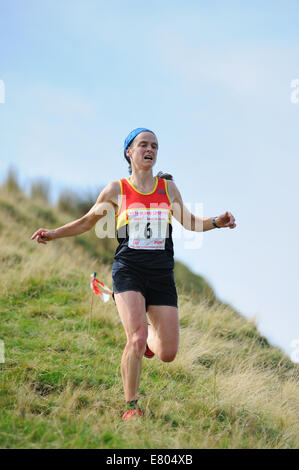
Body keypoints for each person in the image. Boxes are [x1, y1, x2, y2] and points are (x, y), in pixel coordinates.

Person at [31, 127, 236, 421]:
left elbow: (189, 222)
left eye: (154, 146)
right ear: (129, 152)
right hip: (129, 270)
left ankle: (147, 335)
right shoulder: (117, 190)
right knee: (136, 338)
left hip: (161, 274)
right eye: (143, 145)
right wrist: (53, 233)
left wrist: (216, 221)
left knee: (167, 352)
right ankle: (131, 407)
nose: (149, 150)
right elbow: (88, 221)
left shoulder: (168, 189)